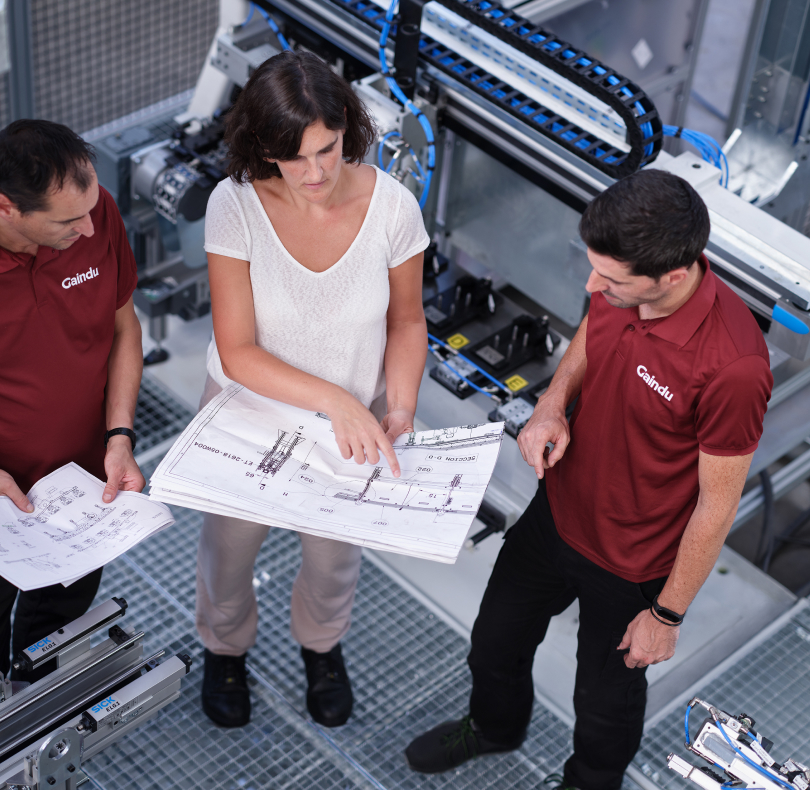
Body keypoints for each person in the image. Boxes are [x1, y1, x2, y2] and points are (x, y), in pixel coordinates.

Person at [404, 169, 773, 789]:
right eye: (594, 268)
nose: (592, 285)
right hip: (555, 517)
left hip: (633, 565)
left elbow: (717, 505)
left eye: (611, 279)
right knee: (493, 644)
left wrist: (667, 614)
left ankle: (589, 783)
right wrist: (551, 403)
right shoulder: (623, 279)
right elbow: (591, 335)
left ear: (674, 276)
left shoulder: (733, 367)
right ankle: (495, 730)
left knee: (604, 705)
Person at [196, 50, 429, 729]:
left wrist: (402, 407)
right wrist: (336, 400)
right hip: (249, 415)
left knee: (333, 562)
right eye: (294, 158)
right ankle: (224, 648)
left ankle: (321, 649)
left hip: (349, 427)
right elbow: (237, 351)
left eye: (327, 149)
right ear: (262, 148)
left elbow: (408, 320)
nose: (317, 173)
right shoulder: (233, 204)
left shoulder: (392, 208)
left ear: (346, 129)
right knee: (228, 556)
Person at [0, 119, 145, 682]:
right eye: (67, 220)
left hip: (83, 487)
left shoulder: (96, 212)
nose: (90, 228)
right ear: (8, 207)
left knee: (53, 630)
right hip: (4, 497)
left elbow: (124, 329)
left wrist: (119, 437)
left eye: (90, 208)